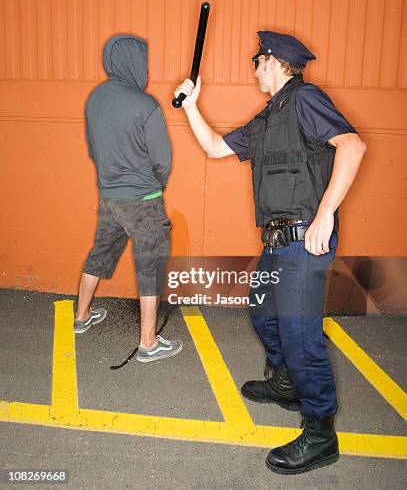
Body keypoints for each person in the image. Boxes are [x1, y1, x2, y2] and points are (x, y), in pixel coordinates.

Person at [174, 30, 366, 474]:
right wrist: (194, 105)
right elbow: (215, 147)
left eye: (257, 61)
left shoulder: (304, 99)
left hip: (304, 237)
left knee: (301, 338)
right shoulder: (267, 118)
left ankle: (320, 434)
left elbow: (352, 147)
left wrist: (326, 215)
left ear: (276, 62)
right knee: (262, 315)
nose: (254, 68)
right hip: (277, 242)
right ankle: (285, 385)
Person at [75, 34, 183, 364]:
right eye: (144, 63)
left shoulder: (94, 100)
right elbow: (163, 158)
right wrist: (155, 186)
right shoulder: (145, 104)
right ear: (133, 63)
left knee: (100, 253)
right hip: (144, 201)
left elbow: (93, 150)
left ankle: (81, 317)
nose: (147, 71)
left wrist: (114, 179)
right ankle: (148, 344)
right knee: (150, 265)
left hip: (109, 198)